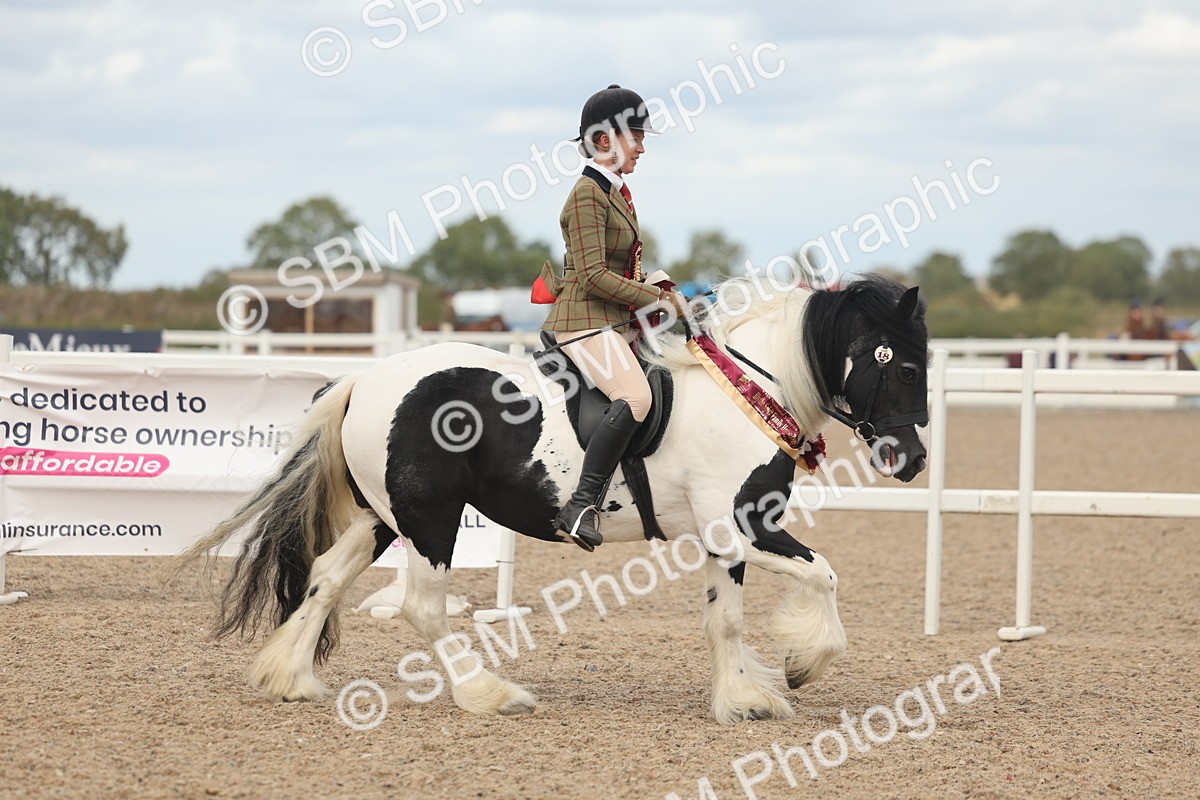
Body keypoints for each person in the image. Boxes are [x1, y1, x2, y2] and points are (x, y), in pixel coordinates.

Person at [536, 84, 689, 551]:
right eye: (635, 137)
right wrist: (654, 299)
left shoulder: (614, 193)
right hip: (582, 321)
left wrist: (660, 289)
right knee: (636, 397)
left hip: (609, 320)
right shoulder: (586, 194)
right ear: (605, 141)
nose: (642, 147)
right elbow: (593, 275)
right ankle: (582, 502)